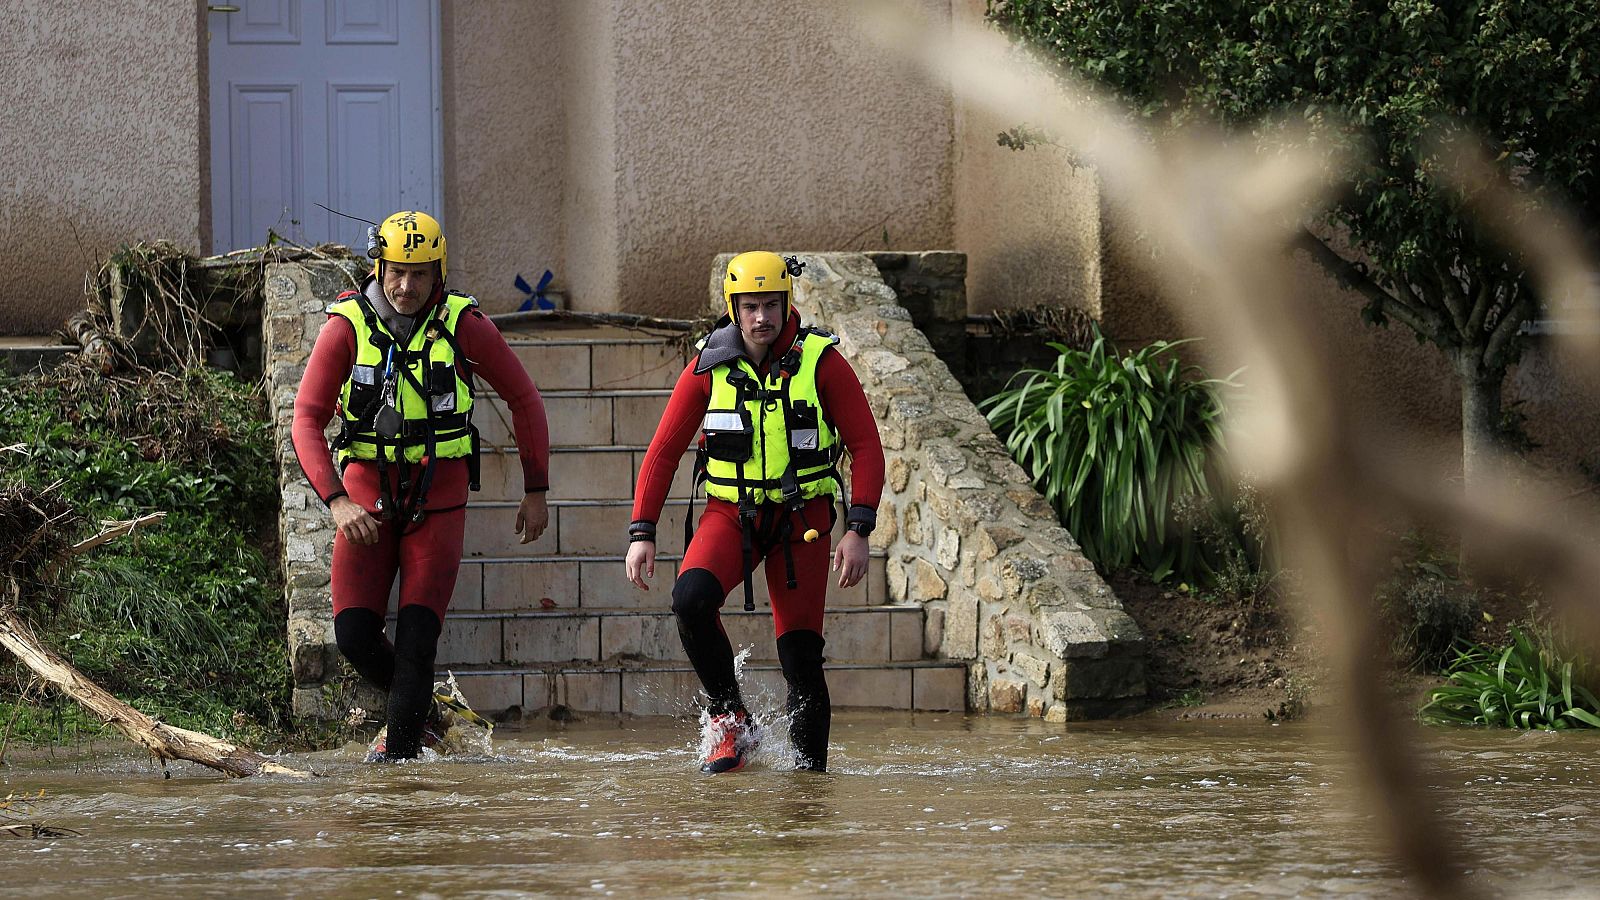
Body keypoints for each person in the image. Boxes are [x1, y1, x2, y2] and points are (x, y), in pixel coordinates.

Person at [293, 210, 551, 761]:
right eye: (396, 272)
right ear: (378, 265)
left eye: (421, 274)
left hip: (439, 500)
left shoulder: (464, 325)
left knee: (416, 643)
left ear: (439, 273)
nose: (407, 287)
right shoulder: (346, 326)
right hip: (366, 500)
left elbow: (524, 399)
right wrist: (337, 500)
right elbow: (306, 418)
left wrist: (536, 489)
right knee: (355, 638)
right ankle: (424, 714)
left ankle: (401, 783)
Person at [625, 251, 885, 773]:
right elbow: (662, 451)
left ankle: (809, 791)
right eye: (750, 307)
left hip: (803, 523)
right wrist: (642, 530)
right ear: (733, 308)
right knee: (690, 600)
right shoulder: (708, 365)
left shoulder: (822, 361)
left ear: (787, 303)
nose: (761, 318)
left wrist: (858, 528)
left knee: (802, 662)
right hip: (731, 514)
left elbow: (866, 446)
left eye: (771, 305)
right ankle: (731, 718)